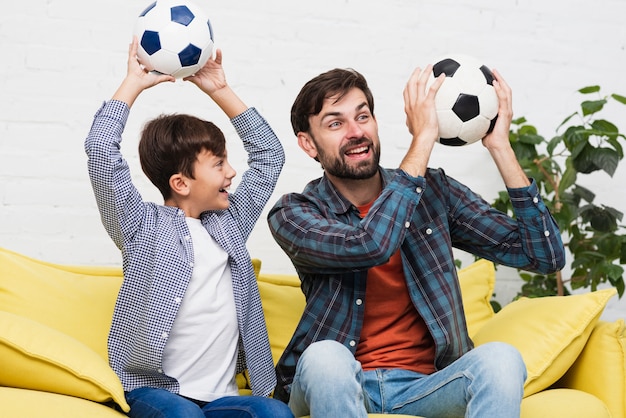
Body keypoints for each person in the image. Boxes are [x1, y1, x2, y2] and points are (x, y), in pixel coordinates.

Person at [267, 65, 566, 417]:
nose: (355, 132)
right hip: (337, 382)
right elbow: (371, 244)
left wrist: (500, 147)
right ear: (308, 143)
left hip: (427, 385)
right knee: (325, 356)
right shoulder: (294, 213)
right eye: (335, 123)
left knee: (501, 359)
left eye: (363, 116)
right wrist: (423, 138)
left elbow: (544, 257)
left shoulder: (434, 191)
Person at [85, 38, 293, 418]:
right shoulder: (140, 226)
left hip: (222, 400)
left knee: (275, 414)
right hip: (157, 392)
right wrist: (133, 82)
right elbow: (100, 151)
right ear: (181, 183)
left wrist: (219, 89)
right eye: (219, 164)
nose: (232, 172)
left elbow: (269, 155)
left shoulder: (228, 223)